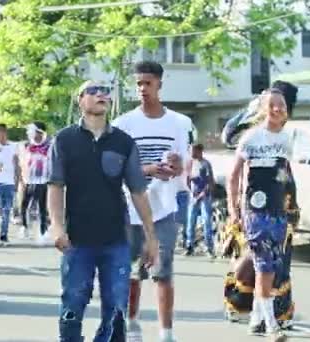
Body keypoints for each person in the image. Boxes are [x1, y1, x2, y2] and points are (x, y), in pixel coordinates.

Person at [48, 80, 159, 342]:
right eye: (93, 91)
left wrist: (151, 236)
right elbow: (55, 186)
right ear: (80, 100)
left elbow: (138, 191)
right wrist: (57, 226)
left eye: (105, 92)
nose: (101, 95)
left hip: (116, 240)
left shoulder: (123, 142)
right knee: (73, 306)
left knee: (116, 310)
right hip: (77, 240)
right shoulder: (64, 140)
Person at [112, 61, 189, 342]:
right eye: (139, 84)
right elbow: (117, 168)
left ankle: (166, 333)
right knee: (133, 272)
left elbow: (182, 165)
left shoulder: (178, 123)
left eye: (148, 83)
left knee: (163, 272)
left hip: (164, 209)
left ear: (159, 84)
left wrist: (175, 166)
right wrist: (147, 169)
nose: (143, 89)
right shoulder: (123, 124)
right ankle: (132, 324)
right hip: (131, 209)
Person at [222, 81, 299, 331]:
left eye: (284, 105)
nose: (279, 109)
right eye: (273, 104)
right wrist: (234, 209)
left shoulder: (286, 138)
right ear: (265, 106)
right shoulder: (251, 132)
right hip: (255, 208)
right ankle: (268, 320)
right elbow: (234, 172)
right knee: (262, 262)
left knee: (273, 264)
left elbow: (285, 173)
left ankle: (258, 316)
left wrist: (292, 206)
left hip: (279, 207)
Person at [20, 121, 51, 243]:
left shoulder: (49, 146)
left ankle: (43, 232)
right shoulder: (27, 146)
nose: (29, 133)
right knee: (24, 205)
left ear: (40, 132)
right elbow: (23, 163)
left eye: (32, 131)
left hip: (43, 181)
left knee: (42, 208)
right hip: (29, 180)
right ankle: (25, 227)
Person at [184, 143, 215, 258]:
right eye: (190, 151)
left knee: (206, 221)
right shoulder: (190, 163)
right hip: (193, 195)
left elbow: (210, 182)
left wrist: (202, 194)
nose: (191, 153)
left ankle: (209, 247)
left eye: (193, 151)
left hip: (205, 196)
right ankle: (189, 246)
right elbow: (187, 179)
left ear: (199, 151)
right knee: (190, 221)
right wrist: (191, 192)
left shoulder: (205, 164)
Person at [0, 123, 19, 245]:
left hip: (9, 183)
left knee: (6, 211)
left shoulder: (13, 147)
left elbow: (17, 165)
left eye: (0, 133)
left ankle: (4, 235)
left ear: (4, 133)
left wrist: (18, 180)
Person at [174, 113, 193, 249]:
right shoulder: (173, 150)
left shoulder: (190, 155)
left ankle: (188, 244)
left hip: (184, 192)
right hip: (172, 191)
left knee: (187, 221)